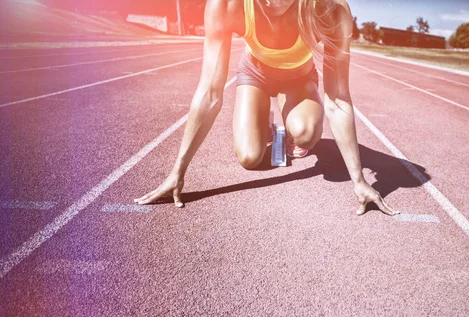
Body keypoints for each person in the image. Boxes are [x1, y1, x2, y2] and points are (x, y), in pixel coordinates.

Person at [134, 0, 397, 216]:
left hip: (298, 80)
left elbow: (338, 98)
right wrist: (177, 171)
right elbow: (210, 93)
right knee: (249, 158)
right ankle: (268, 126)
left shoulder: (330, 10)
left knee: (306, 133)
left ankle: (289, 118)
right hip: (255, 76)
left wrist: (359, 180)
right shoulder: (226, 5)